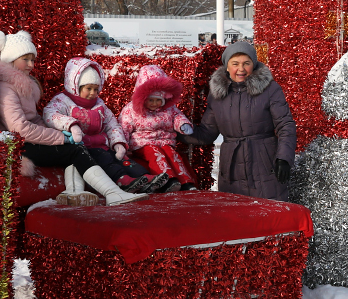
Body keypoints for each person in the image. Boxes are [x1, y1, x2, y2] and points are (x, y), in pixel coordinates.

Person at [0, 29, 143, 205]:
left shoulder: (22, 84)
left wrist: (57, 131)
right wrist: (60, 137)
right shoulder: (6, 88)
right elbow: (20, 128)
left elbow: (35, 119)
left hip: (27, 139)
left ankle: (77, 192)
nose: (31, 64)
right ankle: (112, 193)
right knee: (74, 150)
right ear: (10, 59)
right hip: (18, 144)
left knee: (75, 148)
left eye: (32, 60)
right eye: (26, 59)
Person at [43, 57, 174, 193]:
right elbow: (50, 114)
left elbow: (112, 124)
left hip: (102, 144)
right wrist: (71, 125)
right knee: (104, 157)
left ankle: (144, 177)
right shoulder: (63, 101)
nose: (93, 93)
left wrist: (118, 142)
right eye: (89, 88)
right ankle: (122, 179)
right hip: (82, 148)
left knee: (122, 158)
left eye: (96, 89)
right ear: (76, 86)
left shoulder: (99, 105)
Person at [184, 41, 296, 200]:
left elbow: (286, 125)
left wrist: (283, 158)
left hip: (264, 163)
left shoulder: (270, 89)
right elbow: (207, 133)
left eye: (246, 63)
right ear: (227, 66)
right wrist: (176, 130)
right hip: (231, 167)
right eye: (235, 63)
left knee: (266, 216)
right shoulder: (217, 94)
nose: (241, 69)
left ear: (254, 64)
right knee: (235, 217)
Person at [120, 64, 201, 190]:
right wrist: (122, 146)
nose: (154, 104)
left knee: (172, 154)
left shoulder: (169, 109)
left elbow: (177, 116)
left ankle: (186, 181)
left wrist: (183, 125)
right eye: (150, 100)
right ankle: (167, 179)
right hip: (142, 143)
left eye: (158, 100)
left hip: (165, 142)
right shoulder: (131, 110)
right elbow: (124, 127)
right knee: (155, 153)